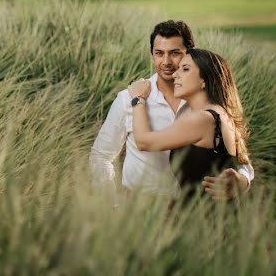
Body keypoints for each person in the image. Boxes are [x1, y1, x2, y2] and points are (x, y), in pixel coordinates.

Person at [89, 20, 253, 200]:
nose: (166, 62)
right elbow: (101, 156)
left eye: (175, 53)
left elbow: (239, 160)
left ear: (189, 53)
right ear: (152, 54)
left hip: (191, 213)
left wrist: (243, 180)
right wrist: (109, 205)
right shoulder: (128, 99)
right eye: (159, 53)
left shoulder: (204, 104)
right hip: (141, 210)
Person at [129, 47, 250, 199]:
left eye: (185, 69)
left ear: (205, 80)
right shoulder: (219, 113)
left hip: (203, 217)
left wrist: (138, 98)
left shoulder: (203, 119)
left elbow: (143, 142)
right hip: (214, 215)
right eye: (178, 69)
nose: (175, 75)